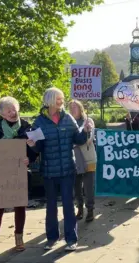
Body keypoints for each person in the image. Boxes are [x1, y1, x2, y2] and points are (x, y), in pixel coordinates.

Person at [27, 87, 92, 251]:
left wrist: (84, 131)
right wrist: (33, 145)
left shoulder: (67, 118)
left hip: (67, 170)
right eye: (58, 99)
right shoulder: (39, 122)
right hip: (49, 171)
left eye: (62, 99)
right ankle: (52, 238)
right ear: (49, 100)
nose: (62, 102)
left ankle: (71, 239)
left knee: (69, 205)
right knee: (51, 207)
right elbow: (38, 148)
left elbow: (77, 138)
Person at [0, 97, 38, 256]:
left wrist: (30, 158)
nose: (13, 113)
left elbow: (35, 150)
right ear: (2, 114)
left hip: (20, 173)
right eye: (9, 111)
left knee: (20, 206)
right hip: (0, 175)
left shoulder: (27, 128)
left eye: (14, 109)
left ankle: (19, 238)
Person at [68, 100, 97, 223]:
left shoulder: (88, 121)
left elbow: (89, 138)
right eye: (71, 107)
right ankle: (79, 208)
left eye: (76, 107)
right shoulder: (68, 122)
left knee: (88, 186)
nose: (73, 109)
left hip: (88, 158)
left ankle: (90, 210)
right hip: (74, 159)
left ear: (81, 108)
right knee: (76, 186)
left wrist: (86, 132)